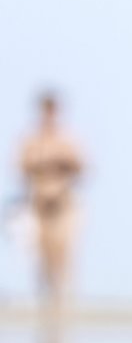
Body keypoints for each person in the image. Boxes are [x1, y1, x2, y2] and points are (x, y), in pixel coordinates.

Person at [17, 90, 85, 309]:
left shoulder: (68, 139)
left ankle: (62, 304)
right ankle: (46, 303)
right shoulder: (30, 140)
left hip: (63, 204)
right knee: (42, 255)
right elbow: (21, 167)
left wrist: (60, 162)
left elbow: (81, 167)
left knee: (63, 253)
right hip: (39, 204)